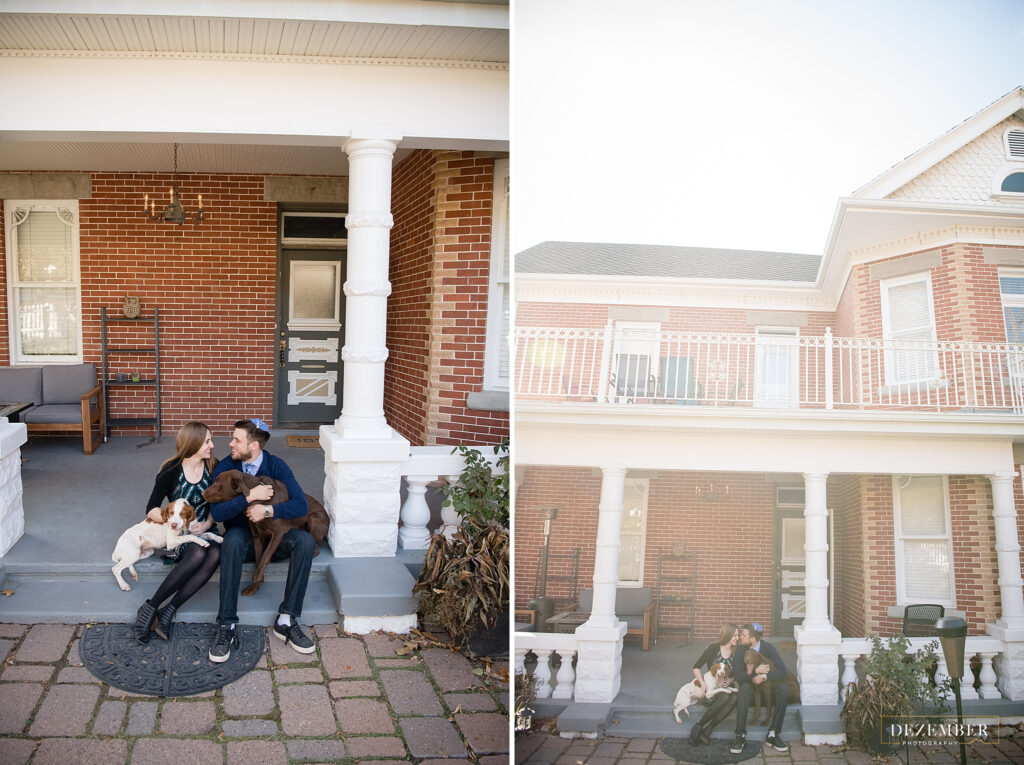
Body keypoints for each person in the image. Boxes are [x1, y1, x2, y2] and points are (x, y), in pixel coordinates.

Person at [207, 418, 315, 662]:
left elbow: (301, 505)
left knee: (306, 542)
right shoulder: (225, 467)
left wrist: (268, 511)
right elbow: (218, 514)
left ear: (254, 445)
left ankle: (286, 618)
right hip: (244, 537)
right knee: (232, 541)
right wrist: (249, 498)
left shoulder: (276, 466)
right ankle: (226, 624)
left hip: (275, 535)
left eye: (237, 440)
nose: (231, 443)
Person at [133, 422, 220, 643]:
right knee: (199, 554)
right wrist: (174, 522)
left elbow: (221, 504)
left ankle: (168, 611)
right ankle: (151, 608)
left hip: (206, 528)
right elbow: (151, 508)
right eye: (207, 441)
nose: (212, 445)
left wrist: (208, 524)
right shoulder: (171, 469)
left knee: (215, 553)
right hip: (180, 536)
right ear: (193, 443)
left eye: (210, 440)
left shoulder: (214, 467)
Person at [730, 621, 790, 754]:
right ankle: (740, 734)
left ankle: (773, 733)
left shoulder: (768, 648)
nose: (740, 637)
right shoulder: (741, 650)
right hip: (750, 696)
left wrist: (764, 677)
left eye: (744, 635)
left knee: (784, 689)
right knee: (744, 688)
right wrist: (756, 672)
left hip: (768, 693)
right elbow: (738, 675)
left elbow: (782, 670)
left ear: (752, 638)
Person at [688, 622, 740, 745]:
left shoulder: (737, 651)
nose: (737, 638)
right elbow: (696, 667)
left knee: (734, 697)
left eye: (738, 635)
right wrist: (702, 683)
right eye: (735, 635)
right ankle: (698, 726)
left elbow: (739, 671)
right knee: (726, 696)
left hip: (726, 685)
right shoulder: (713, 649)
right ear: (727, 635)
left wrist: (731, 681)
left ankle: (708, 729)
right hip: (711, 687)